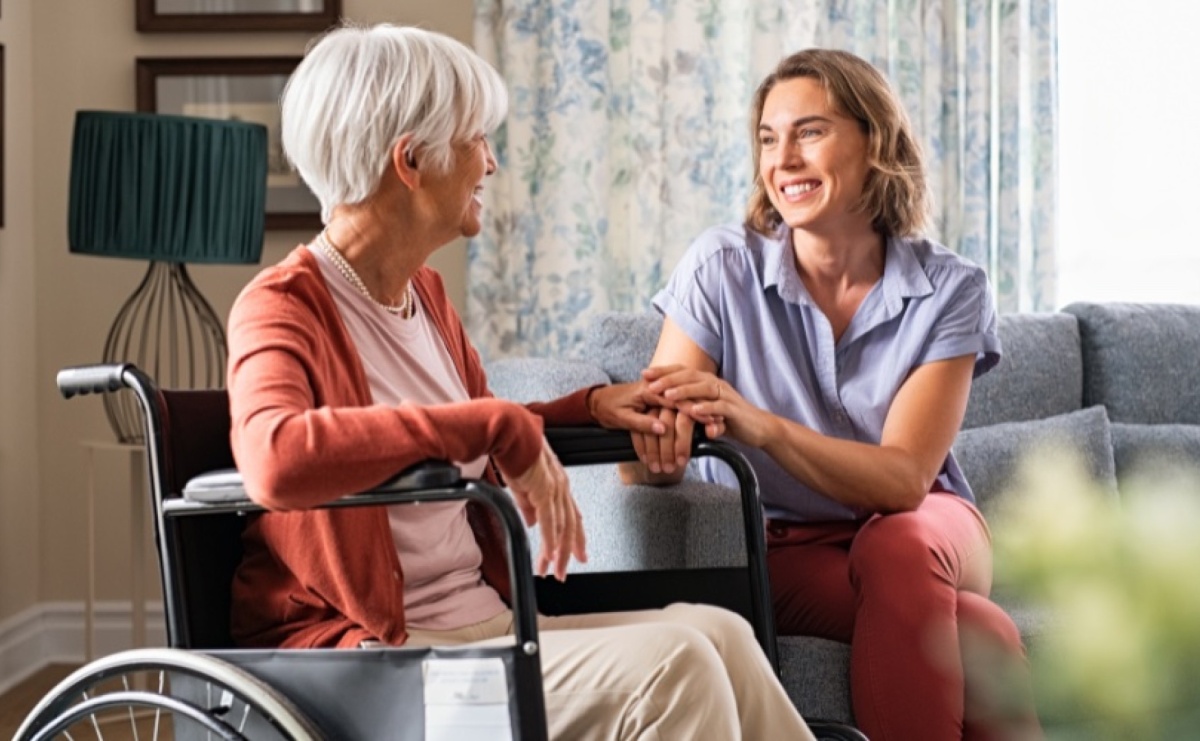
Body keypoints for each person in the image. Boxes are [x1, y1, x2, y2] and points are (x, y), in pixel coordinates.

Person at [225, 23, 816, 740]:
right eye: (477, 140)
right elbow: (275, 459)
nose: (493, 161)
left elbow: (459, 428)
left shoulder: (427, 299)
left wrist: (592, 407)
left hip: (477, 626)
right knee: (676, 663)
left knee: (719, 632)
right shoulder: (283, 305)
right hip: (375, 663)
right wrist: (496, 423)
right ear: (410, 161)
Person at [625, 49, 1042, 740]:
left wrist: (763, 427)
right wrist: (657, 449)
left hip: (930, 528)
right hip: (785, 545)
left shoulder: (951, 289)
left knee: (899, 544)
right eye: (768, 138)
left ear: (873, 141)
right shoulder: (720, 268)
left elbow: (905, 479)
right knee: (982, 630)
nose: (783, 158)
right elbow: (644, 450)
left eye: (810, 131)